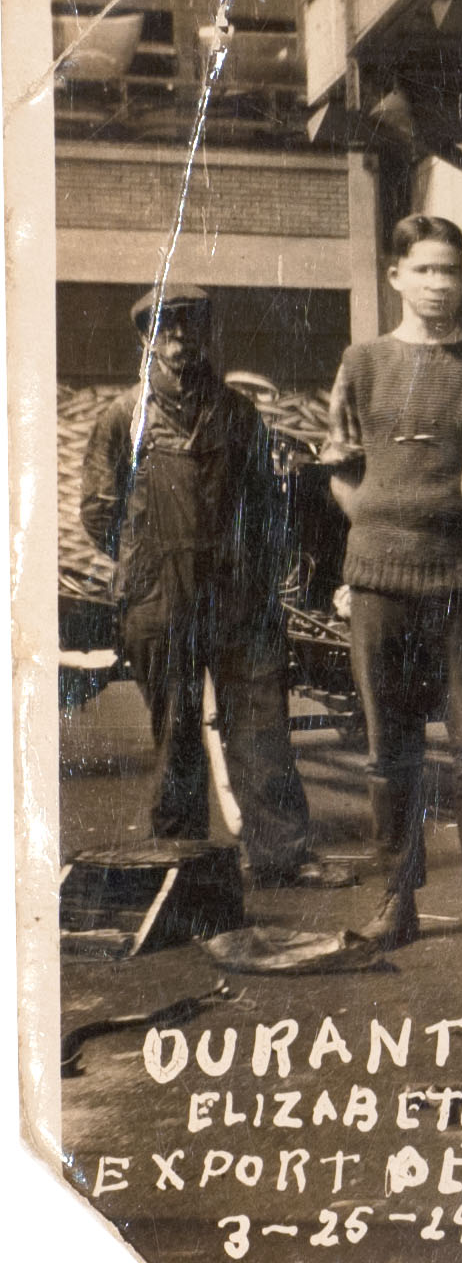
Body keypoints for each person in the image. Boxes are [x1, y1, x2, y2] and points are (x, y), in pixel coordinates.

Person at [82, 286, 346, 889]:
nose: (180, 343)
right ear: (146, 340)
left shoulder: (236, 413)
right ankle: (180, 860)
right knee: (175, 732)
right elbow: (100, 512)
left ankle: (282, 852)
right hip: (160, 597)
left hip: (238, 597)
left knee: (261, 727)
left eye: (190, 330)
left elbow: (264, 501)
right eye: (166, 331)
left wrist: (254, 569)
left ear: (206, 336)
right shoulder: (123, 418)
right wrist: (147, 565)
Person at [323, 217, 462, 950]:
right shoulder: (364, 360)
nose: (439, 284)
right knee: (390, 747)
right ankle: (395, 896)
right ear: (397, 275)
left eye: (451, 271)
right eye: (425, 270)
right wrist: (383, 526)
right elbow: (340, 466)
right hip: (380, 579)